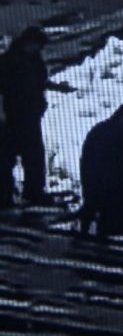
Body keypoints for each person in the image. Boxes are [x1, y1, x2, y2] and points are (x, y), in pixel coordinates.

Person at [0, 26, 75, 208]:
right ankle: (4, 195)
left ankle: (33, 192)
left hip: (30, 117)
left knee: (33, 157)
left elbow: (40, 83)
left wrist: (56, 87)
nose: (39, 50)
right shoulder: (8, 62)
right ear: (29, 43)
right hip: (11, 118)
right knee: (6, 158)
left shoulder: (34, 60)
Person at [79, 102, 123, 237]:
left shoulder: (99, 131)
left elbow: (86, 162)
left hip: (98, 186)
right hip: (116, 191)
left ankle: (86, 234)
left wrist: (88, 192)